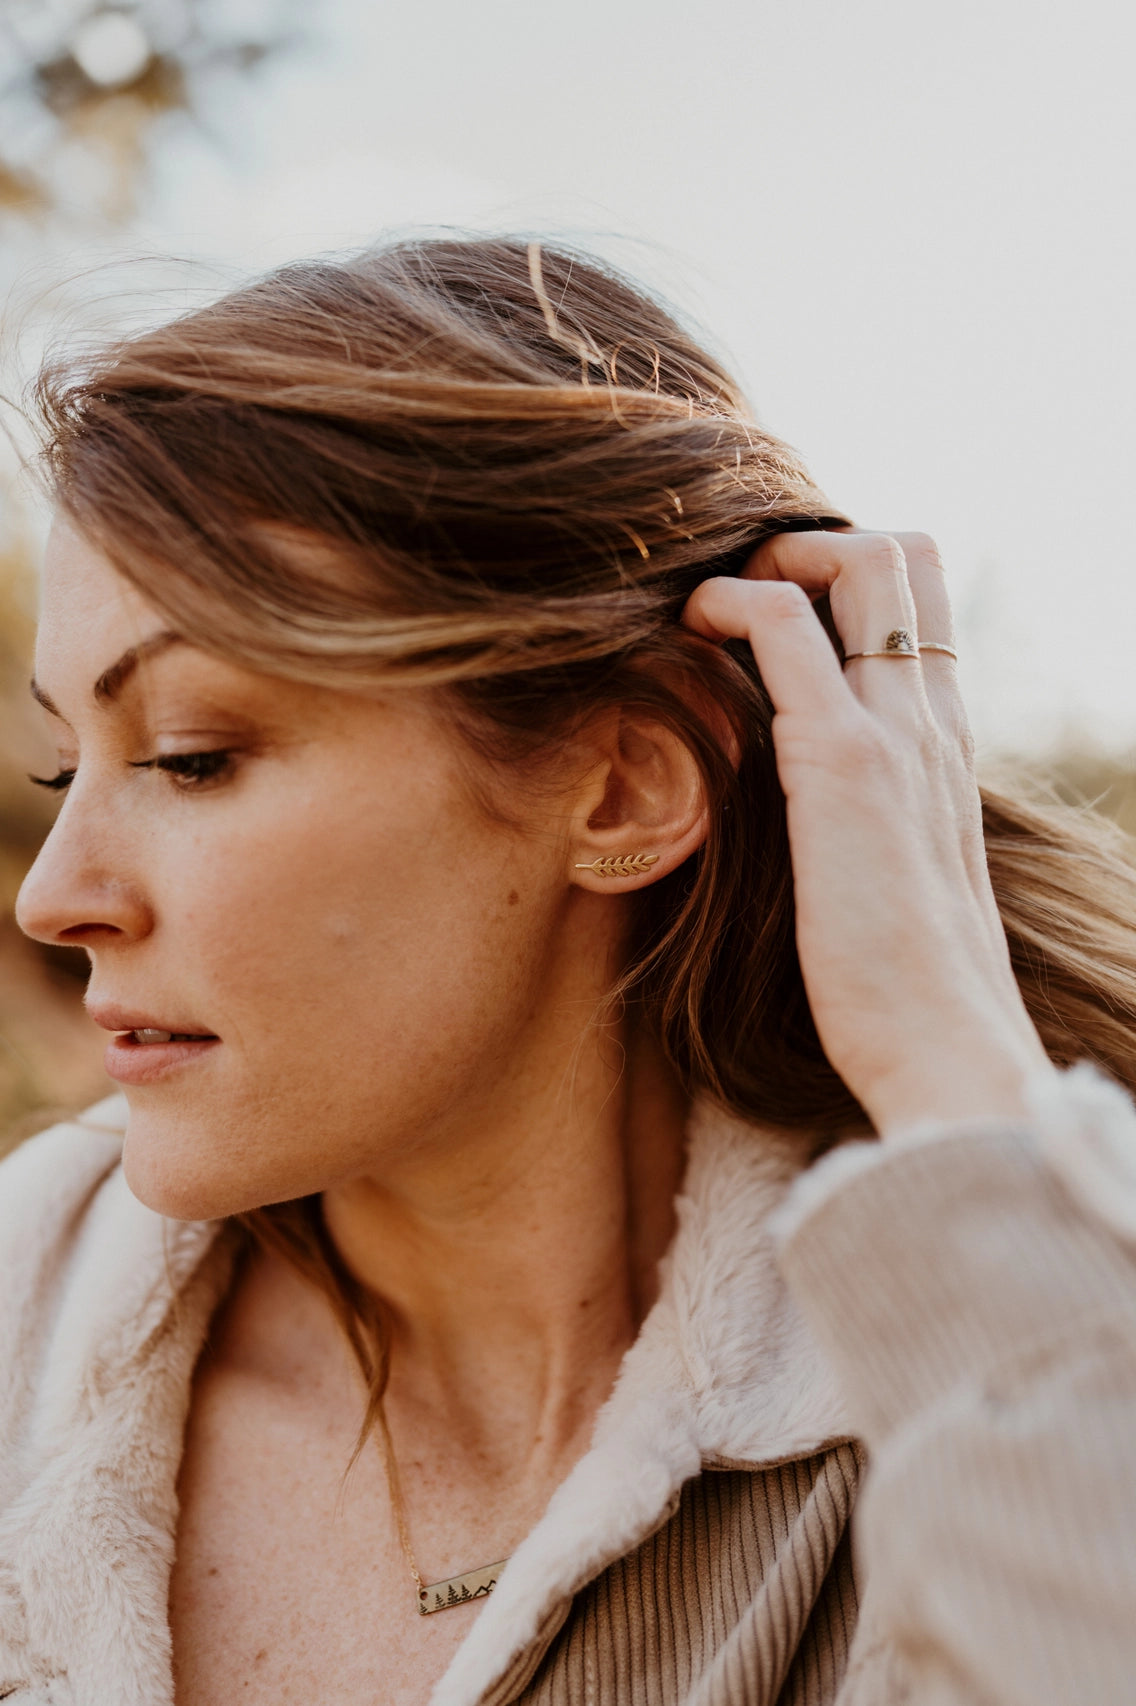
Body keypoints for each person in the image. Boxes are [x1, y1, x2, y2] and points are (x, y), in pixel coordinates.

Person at [3, 237, 1136, 1706]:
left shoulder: (980, 1397)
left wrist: (945, 1042)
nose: (54, 895)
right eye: (58, 760)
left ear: (619, 791)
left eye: (190, 757)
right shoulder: (21, 1336)